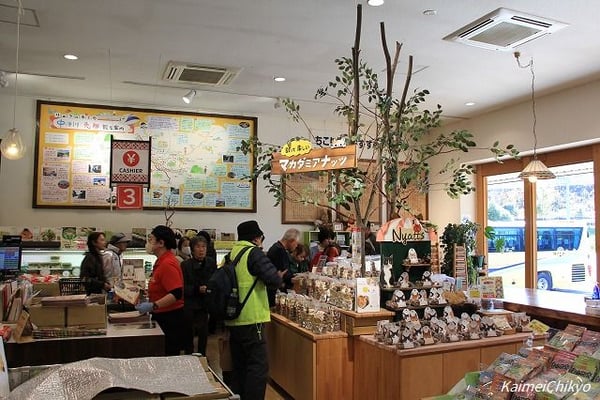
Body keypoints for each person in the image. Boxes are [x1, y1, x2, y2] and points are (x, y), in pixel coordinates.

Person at [225, 220, 285, 400]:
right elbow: (273, 279)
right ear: (257, 238)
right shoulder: (254, 253)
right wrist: (278, 276)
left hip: (233, 317)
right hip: (252, 318)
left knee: (240, 365)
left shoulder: (231, 254)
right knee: (258, 366)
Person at [136, 225, 186, 356]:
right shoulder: (161, 262)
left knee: (169, 357)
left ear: (161, 243)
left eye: (151, 239)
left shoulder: (167, 264)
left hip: (170, 319)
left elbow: (176, 293)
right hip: (163, 316)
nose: (148, 243)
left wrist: (153, 305)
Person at [180, 235, 217, 355]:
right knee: (188, 333)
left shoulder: (211, 263)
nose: (201, 250)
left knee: (203, 332)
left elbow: (215, 281)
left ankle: (203, 356)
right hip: (189, 304)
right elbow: (182, 287)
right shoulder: (185, 265)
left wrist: (210, 289)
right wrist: (197, 289)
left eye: (204, 247)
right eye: (198, 247)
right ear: (192, 249)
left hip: (204, 303)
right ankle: (189, 356)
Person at [267, 228, 300, 293]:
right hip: (277, 290)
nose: (296, 246)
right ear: (291, 241)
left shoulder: (275, 246)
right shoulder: (280, 251)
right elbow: (285, 274)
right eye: (296, 243)